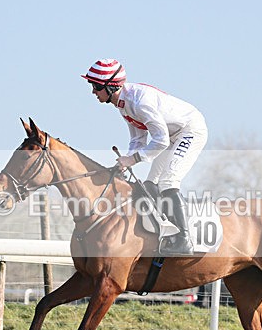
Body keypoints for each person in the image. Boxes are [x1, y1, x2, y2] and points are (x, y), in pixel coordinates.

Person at [82, 58, 208, 255]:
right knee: (151, 184)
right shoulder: (122, 104)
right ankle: (168, 231)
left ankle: (185, 239)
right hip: (170, 134)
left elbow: (161, 141)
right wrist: (125, 161)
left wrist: (132, 160)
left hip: (188, 130)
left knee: (167, 181)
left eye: (96, 86)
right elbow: (138, 140)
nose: (93, 92)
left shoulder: (139, 102)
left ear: (111, 86)